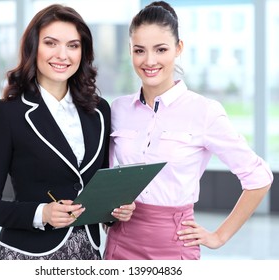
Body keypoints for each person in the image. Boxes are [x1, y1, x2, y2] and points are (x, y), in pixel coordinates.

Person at [104, 1, 273, 260]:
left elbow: (259, 177)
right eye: (140, 50)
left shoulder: (204, 112)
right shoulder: (118, 110)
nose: (149, 61)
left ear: (178, 48)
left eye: (161, 49)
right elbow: (109, 180)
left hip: (174, 244)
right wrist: (110, 211)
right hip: (120, 243)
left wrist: (219, 236)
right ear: (130, 50)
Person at [0, 4, 134, 260]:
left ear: (83, 52)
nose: (62, 55)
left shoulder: (99, 110)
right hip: (29, 255)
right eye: (51, 43)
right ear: (33, 48)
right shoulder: (8, 114)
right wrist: (41, 214)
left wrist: (115, 211)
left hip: (88, 253)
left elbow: (96, 188)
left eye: (73, 45)